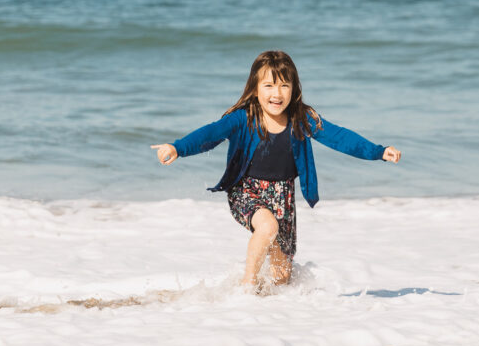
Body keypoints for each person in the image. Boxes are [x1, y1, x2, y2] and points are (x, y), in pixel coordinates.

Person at [152, 50, 401, 291]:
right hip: (246, 190)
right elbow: (210, 133)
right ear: (255, 88)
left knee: (281, 281)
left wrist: (377, 151)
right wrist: (177, 148)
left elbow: (339, 137)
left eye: (284, 85)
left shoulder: (302, 118)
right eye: (269, 86)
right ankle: (246, 287)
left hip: (283, 196)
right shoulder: (243, 118)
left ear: (294, 89)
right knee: (267, 227)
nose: (277, 93)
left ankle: (261, 303)